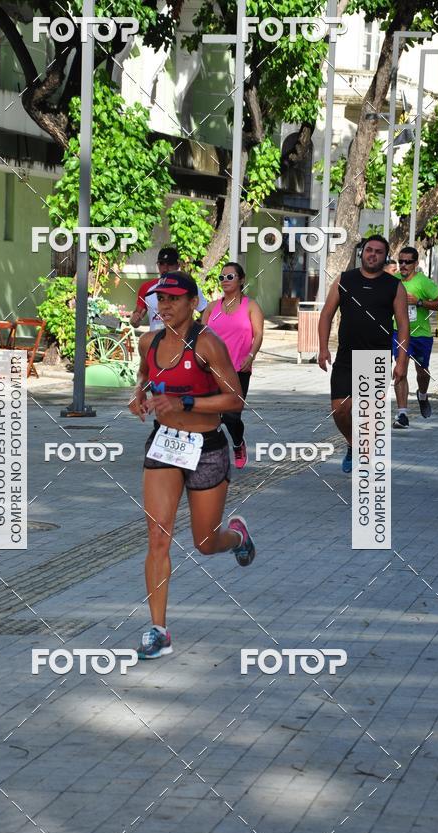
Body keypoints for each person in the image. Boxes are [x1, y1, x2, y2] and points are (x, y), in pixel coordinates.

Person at [128, 271, 256, 660]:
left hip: (206, 447)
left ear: (192, 303)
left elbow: (234, 400)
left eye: (172, 299)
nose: (163, 306)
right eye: (159, 300)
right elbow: (147, 377)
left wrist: (186, 404)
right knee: (158, 537)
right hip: (165, 446)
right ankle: (158, 630)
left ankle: (237, 538)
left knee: (204, 542)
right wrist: (140, 394)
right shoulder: (148, 341)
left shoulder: (208, 345)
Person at [318, 235, 409, 473]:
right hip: (346, 356)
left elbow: (403, 324)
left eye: (379, 252)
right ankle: (352, 443)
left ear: (385, 256)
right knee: (340, 409)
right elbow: (326, 314)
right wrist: (322, 348)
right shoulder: (344, 279)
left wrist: (402, 361)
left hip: (376, 357)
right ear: (362, 252)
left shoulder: (394, 286)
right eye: (369, 250)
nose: (373, 255)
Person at [202, 262, 264, 468]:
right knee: (210, 416)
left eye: (230, 277)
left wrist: (251, 355)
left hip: (239, 370)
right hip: (211, 370)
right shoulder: (212, 308)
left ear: (241, 280)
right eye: (222, 277)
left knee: (230, 416)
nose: (225, 281)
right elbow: (201, 337)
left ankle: (238, 443)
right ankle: (211, 456)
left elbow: (258, 334)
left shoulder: (251, 306)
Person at [391, 246, 438, 427]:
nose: (403, 265)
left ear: (415, 263)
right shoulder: (392, 281)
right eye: (401, 262)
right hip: (398, 332)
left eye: (407, 262)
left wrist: (419, 302)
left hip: (420, 334)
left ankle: (422, 395)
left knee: (422, 372)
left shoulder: (424, 283)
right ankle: (402, 414)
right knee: (400, 370)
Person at [130, 247, 207, 330]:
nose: (165, 268)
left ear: (178, 265)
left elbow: (206, 313)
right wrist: (134, 321)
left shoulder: (188, 285)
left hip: (182, 341)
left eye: (170, 264)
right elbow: (136, 318)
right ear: (158, 265)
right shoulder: (147, 288)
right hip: (155, 341)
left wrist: (193, 329)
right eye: (161, 263)